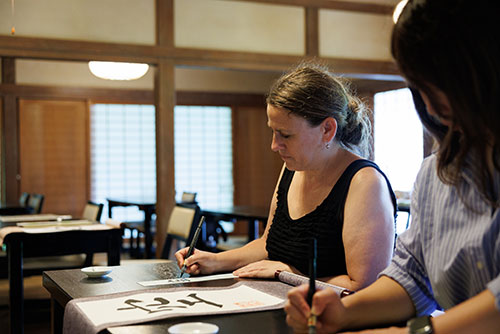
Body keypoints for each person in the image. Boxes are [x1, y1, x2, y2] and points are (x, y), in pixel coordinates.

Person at [285, 1, 500, 333]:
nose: (428, 104)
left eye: (438, 83)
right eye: (419, 85)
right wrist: (344, 312)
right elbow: (412, 275)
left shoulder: (363, 177)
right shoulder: (436, 174)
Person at [175, 62, 397, 291]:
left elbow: (365, 285)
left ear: (327, 130)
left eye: (286, 135)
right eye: (273, 131)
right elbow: (268, 244)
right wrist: (213, 260)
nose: (274, 145)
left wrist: (287, 274)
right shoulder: (293, 168)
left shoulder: (365, 183)